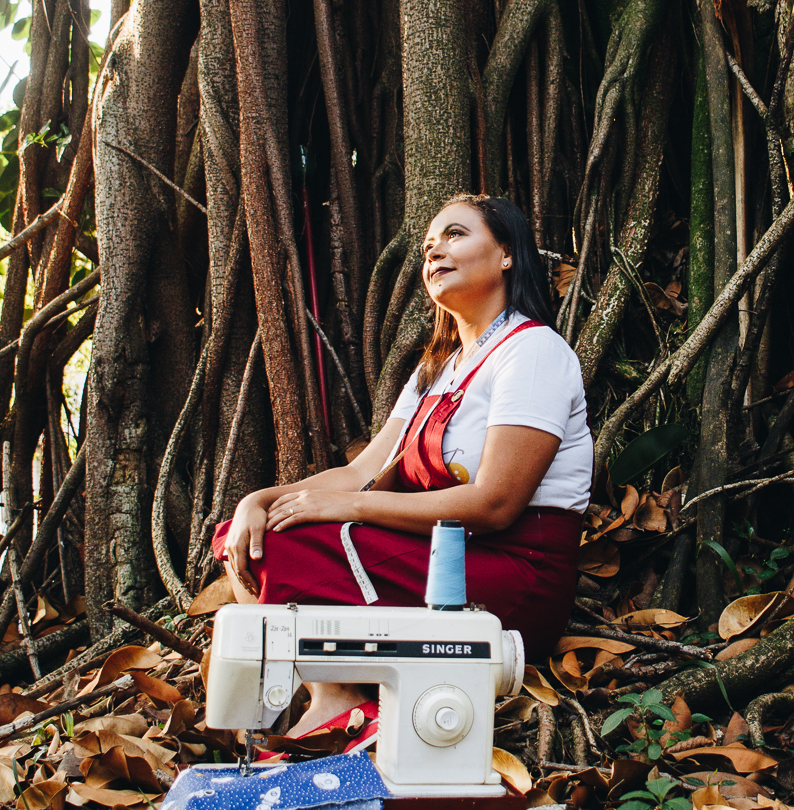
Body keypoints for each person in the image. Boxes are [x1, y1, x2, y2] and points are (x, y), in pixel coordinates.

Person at [214, 194, 593, 742]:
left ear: (507, 254)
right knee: (245, 534)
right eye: (427, 245)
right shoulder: (436, 368)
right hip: (439, 553)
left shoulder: (533, 351)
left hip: (514, 572)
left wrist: (353, 506)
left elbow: (495, 504)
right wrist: (262, 499)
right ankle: (336, 695)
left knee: (282, 547)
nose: (435, 249)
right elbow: (363, 469)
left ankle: (339, 703)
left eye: (456, 234)